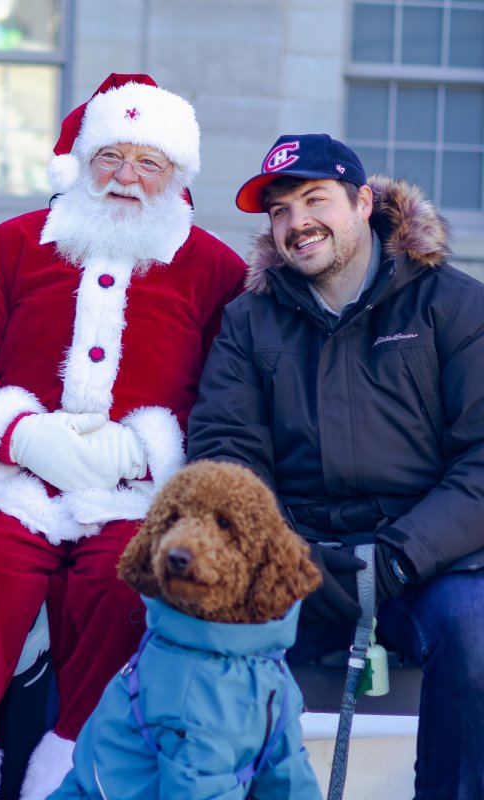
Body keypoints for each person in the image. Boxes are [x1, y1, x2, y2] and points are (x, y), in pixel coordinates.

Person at [0, 73, 247, 800]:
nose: (126, 178)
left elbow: (229, 393)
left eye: (148, 162)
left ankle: (78, 779)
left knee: (129, 589)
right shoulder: (9, 247)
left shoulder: (215, 269)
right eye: (111, 157)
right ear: (81, 162)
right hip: (11, 487)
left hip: (135, 497)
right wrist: (19, 433)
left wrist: (145, 447)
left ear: (176, 176)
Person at [188, 132, 484, 800]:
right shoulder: (249, 320)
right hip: (295, 556)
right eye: (280, 211)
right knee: (206, 630)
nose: (297, 224)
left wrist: (399, 557)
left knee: (476, 634)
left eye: (314, 200)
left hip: (426, 560)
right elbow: (226, 454)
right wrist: (285, 551)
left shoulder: (454, 305)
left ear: (362, 201)